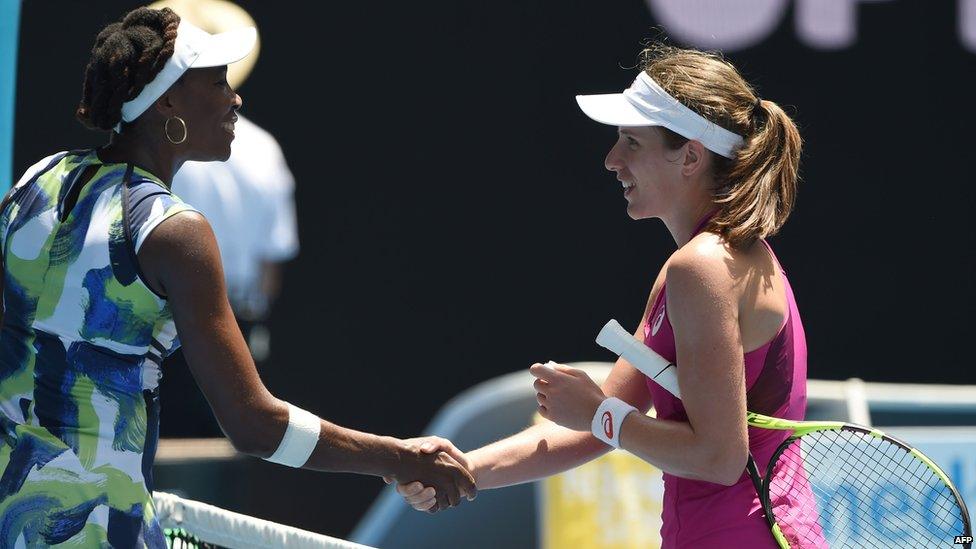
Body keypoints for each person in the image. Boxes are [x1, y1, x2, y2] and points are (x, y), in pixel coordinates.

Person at [0, 8, 472, 547]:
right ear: (169, 100)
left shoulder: (40, 177)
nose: (235, 97)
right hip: (95, 531)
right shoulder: (176, 232)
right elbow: (254, 426)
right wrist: (399, 456)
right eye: (218, 80)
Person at [392, 44, 805, 547]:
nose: (611, 160)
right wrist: (464, 469)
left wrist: (600, 415)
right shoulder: (717, 261)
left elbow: (718, 458)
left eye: (632, 142)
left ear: (690, 156)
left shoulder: (701, 268)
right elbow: (598, 425)